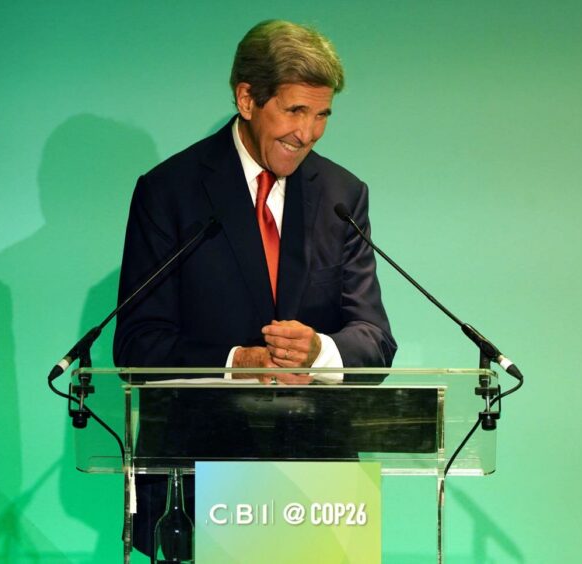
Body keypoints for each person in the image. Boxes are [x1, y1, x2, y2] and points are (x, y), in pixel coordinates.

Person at [112, 19, 396, 557]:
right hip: (196, 483)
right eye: (294, 111)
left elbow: (375, 339)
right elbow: (136, 345)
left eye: (322, 115)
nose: (307, 133)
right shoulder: (170, 192)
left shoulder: (343, 194)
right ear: (247, 98)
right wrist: (233, 360)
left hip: (318, 489)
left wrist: (321, 351)